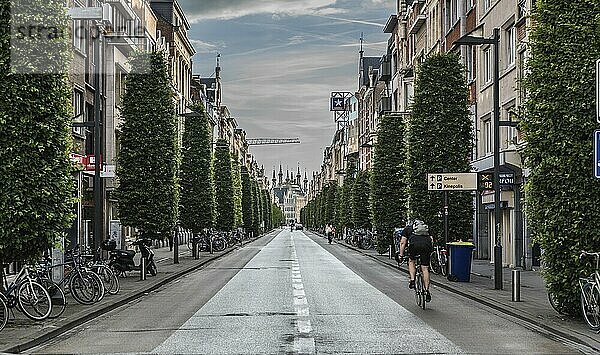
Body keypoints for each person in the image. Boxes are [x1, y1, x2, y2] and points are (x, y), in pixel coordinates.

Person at [399, 219, 433, 302]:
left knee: (411, 261)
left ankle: (413, 280)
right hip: (426, 245)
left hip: (414, 245)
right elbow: (432, 239)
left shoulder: (407, 229)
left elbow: (402, 242)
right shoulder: (427, 228)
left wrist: (401, 254)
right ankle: (427, 291)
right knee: (425, 268)